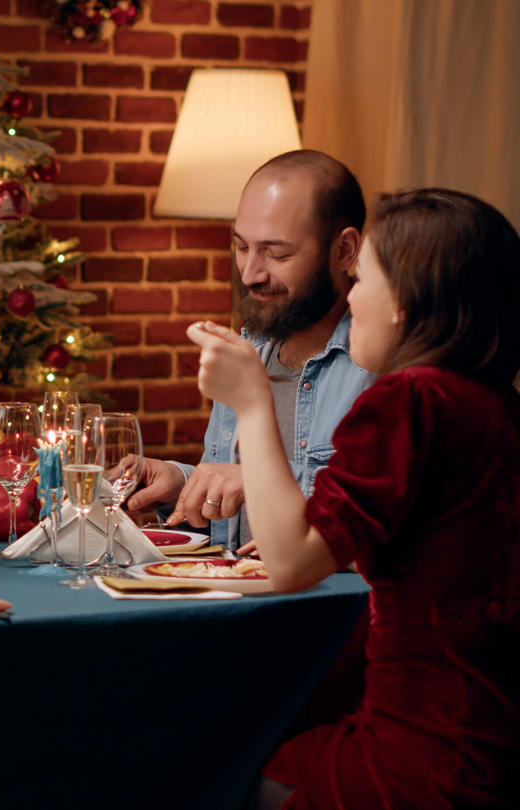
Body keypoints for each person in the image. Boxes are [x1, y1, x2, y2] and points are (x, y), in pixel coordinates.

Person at [190, 188, 520, 808]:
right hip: (494, 736)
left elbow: (291, 565)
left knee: (215, 761)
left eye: (363, 278)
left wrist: (253, 401)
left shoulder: (409, 401)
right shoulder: (491, 403)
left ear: (406, 303)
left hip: (423, 750)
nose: (352, 296)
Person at [127, 150, 371, 549]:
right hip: (239, 599)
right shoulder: (250, 348)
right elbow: (235, 492)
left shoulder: (384, 364)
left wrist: (259, 482)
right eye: (241, 246)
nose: (250, 274)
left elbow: (389, 516)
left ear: (344, 251)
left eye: (277, 253)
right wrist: (182, 483)